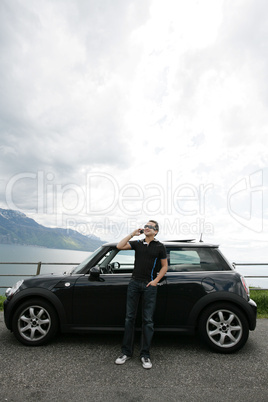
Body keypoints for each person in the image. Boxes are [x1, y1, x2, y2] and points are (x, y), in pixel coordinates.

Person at [115, 220, 168, 369]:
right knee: (129, 318)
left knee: (148, 320)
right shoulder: (138, 243)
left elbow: (164, 266)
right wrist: (132, 234)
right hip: (134, 283)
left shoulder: (159, 247)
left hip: (149, 285)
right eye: (145, 226)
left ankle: (145, 355)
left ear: (156, 231)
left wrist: (156, 281)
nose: (146, 228)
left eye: (150, 227)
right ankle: (126, 352)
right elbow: (119, 246)